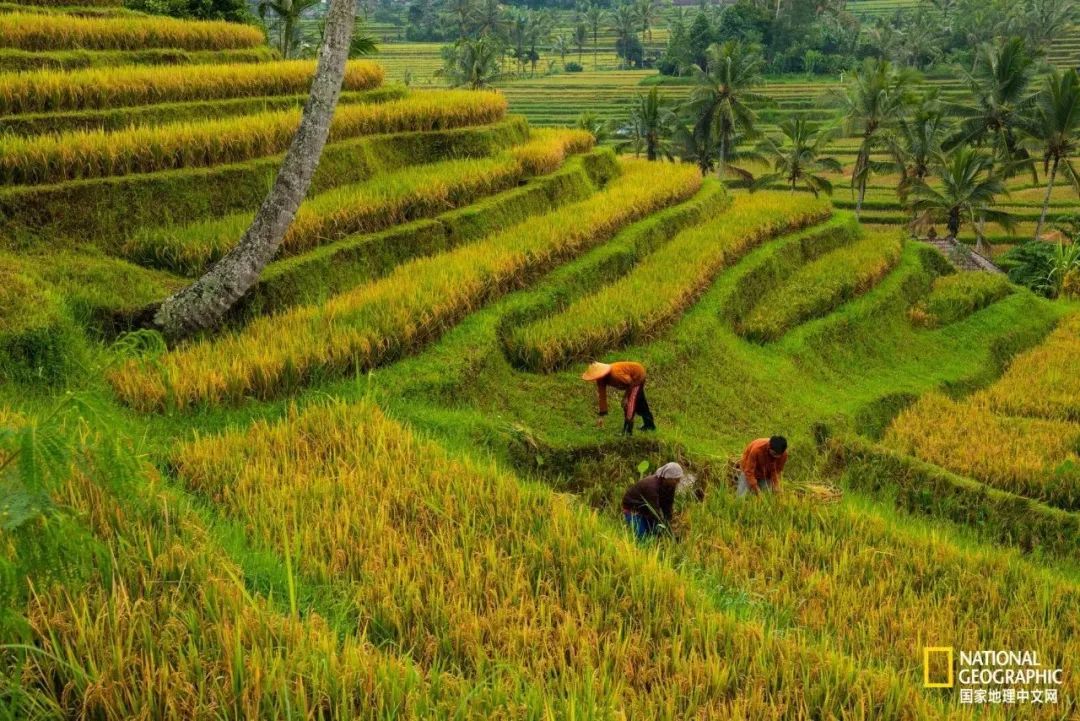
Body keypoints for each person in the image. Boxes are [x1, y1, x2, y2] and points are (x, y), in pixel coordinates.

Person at [622, 462, 695, 540]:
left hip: (646, 510)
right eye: (676, 480)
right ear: (667, 477)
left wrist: (668, 525)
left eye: (679, 479)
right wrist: (667, 532)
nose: (678, 482)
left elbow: (668, 507)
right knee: (643, 538)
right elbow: (654, 512)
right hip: (633, 510)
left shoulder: (670, 486)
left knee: (656, 534)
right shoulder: (651, 486)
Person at [581, 361, 655, 435]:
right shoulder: (600, 380)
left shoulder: (615, 374)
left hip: (637, 376)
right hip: (631, 380)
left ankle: (627, 432)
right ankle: (649, 425)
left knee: (629, 404)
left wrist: (625, 398)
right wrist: (602, 415)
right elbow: (602, 396)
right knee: (640, 402)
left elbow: (630, 383)